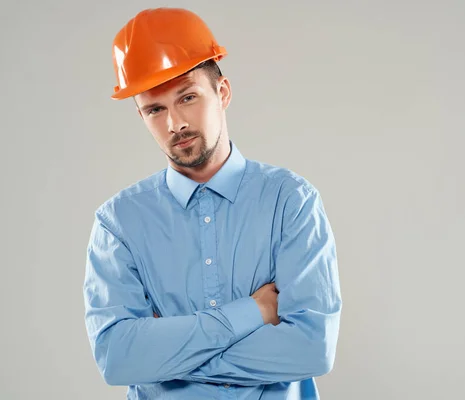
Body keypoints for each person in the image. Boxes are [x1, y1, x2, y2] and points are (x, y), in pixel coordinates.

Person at [82, 7, 342, 400]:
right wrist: (252, 313)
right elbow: (118, 359)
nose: (175, 123)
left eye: (187, 97)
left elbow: (312, 348)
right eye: (155, 109)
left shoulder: (290, 202)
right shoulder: (119, 224)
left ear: (222, 93)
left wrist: (167, 358)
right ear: (141, 115)